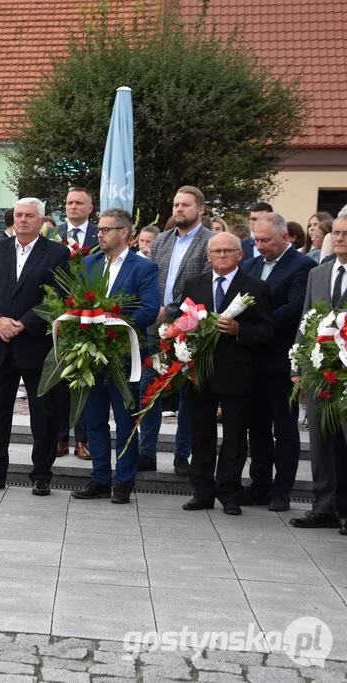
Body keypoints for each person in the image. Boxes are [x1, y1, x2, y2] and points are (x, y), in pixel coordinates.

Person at [0, 198, 69, 495]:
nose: (23, 220)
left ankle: (41, 474)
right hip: (0, 343)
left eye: (29, 215)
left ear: (41, 221)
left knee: (43, 414)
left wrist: (26, 322)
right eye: (19, 215)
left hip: (35, 344)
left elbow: (59, 294)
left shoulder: (56, 252)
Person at [70, 208, 160, 504]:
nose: (100, 234)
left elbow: (149, 309)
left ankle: (123, 482)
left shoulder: (143, 267)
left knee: (125, 421)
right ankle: (99, 478)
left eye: (106, 229)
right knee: (94, 420)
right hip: (93, 355)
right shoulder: (90, 263)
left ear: (124, 233)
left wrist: (115, 325)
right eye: (99, 230)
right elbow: (77, 302)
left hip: (124, 354)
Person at [182, 232, 273, 515]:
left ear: (240, 254)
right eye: (217, 251)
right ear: (208, 256)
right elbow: (182, 321)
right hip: (201, 371)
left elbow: (268, 329)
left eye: (228, 251)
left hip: (238, 372)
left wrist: (240, 331)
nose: (222, 255)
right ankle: (202, 491)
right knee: (201, 432)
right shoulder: (194, 284)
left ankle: (229, 492)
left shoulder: (256, 287)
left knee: (234, 435)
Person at [238, 213, 315, 512]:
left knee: (283, 429)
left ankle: (282, 490)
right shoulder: (250, 265)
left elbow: (294, 308)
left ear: (285, 237)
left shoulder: (302, 266)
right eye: (256, 240)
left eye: (266, 240)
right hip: (251, 360)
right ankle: (259, 486)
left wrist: (254, 326)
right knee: (255, 427)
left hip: (281, 361)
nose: (259, 246)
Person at [139, 186, 215, 475]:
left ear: (201, 209)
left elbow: (203, 287)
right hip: (155, 325)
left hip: (191, 325)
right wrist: (152, 309)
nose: (179, 209)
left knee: (187, 393)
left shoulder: (209, 242)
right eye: (176, 204)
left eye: (185, 204)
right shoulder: (161, 240)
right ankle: (146, 452)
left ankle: (182, 454)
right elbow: (151, 279)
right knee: (150, 387)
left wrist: (169, 310)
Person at [290, 216, 347, 534]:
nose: (339, 238)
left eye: (345, 234)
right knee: (321, 443)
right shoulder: (318, 273)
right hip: (318, 372)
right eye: (336, 233)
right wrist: (297, 368)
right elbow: (304, 321)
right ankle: (325, 508)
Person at [51, 188, 99, 460]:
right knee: (60, 379)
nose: (73, 207)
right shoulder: (52, 234)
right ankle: (59, 438)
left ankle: (83, 440)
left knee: (83, 380)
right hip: (57, 310)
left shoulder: (99, 234)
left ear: (90, 208)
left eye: (79, 203)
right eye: (69, 202)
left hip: (89, 310)